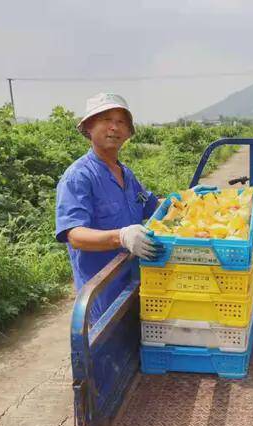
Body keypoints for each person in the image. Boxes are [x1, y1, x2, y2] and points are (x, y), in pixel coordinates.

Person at [55, 93, 163, 325]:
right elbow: (75, 235)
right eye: (105, 119)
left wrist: (186, 201)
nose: (114, 127)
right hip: (103, 293)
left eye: (121, 121)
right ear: (89, 127)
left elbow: (153, 208)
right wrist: (120, 236)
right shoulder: (78, 177)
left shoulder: (126, 174)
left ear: (128, 132)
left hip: (134, 282)